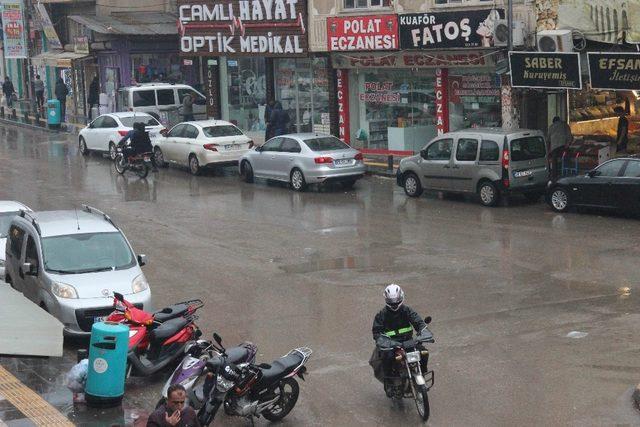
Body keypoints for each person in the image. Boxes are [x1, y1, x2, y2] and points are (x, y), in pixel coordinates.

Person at [370, 284, 427, 390]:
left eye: (396, 301)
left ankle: (422, 374)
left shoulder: (407, 311)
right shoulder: (381, 315)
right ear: (386, 300)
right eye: (392, 302)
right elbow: (377, 332)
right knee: (387, 357)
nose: (394, 304)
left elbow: (418, 321)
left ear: (401, 297)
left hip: (408, 342)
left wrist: (423, 331)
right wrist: (383, 341)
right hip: (391, 344)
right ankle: (390, 383)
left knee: (424, 352)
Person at [547, 116, 573, 180]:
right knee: (566, 158)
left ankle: (554, 175)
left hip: (554, 148)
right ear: (559, 120)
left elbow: (548, 139)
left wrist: (549, 150)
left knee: (554, 160)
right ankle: (567, 173)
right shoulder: (564, 125)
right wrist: (568, 143)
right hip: (563, 146)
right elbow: (569, 136)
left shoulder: (551, 127)